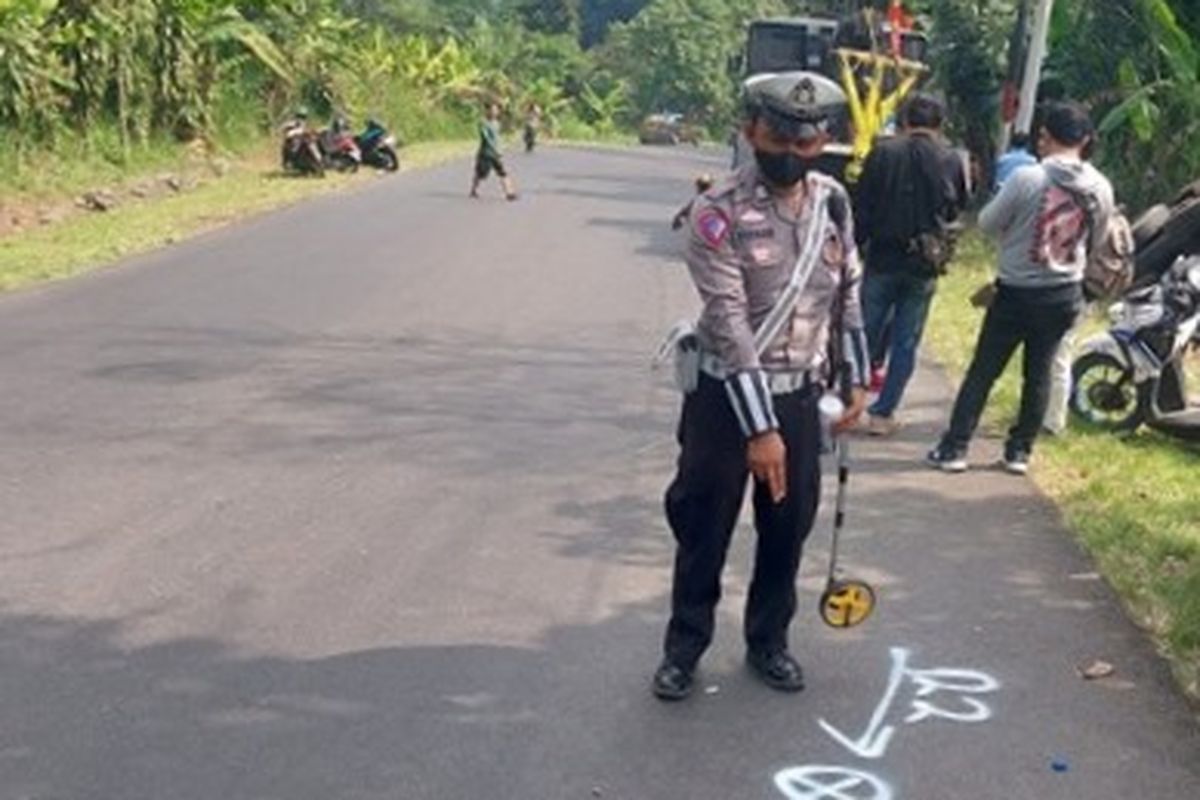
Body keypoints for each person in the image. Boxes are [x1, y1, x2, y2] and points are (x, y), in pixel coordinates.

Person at [652, 71, 870, 701]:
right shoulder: (716, 212)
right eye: (778, 137)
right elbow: (729, 325)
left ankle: (769, 642)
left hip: (801, 396)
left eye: (807, 143)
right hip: (726, 401)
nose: (792, 154)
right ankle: (684, 649)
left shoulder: (833, 201)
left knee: (788, 528)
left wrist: (853, 377)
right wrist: (761, 429)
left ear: (823, 140)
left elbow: (847, 293)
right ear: (750, 131)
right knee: (704, 528)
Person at [927, 102, 1115, 474]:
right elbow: (1099, 237)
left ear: (1044, 138)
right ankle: (1019, 452)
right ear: (1086, 140)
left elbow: (987, 222)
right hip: (1064, 292)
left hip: (1016, 290)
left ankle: (955, 448)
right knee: (1040, 371)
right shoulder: (1100, 186)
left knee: (984, 370)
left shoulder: (1027, 178)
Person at [854, 93, 968, 436]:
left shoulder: (883, 152)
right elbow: (957, 206)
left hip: (882, 258)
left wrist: (857, 246)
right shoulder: (950, 159)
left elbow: (862, 203)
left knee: (862, 334)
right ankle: (883, 413)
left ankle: (849, 400)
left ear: (904, 121)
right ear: (941, 124)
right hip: (924, 263)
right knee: (906, 341)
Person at [470, 102, 517, 201]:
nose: (494, 112)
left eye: (496, 110)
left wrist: (501, 148)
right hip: (486, 153)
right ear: (487, 111)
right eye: (492, 110)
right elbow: (486, 138)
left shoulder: (497, 123)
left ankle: (509, 193)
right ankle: (473, 190)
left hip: (496, 154)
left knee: (503, 173)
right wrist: (495, 148)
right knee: (481, 174)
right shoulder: (483, 123)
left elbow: (497, 138)